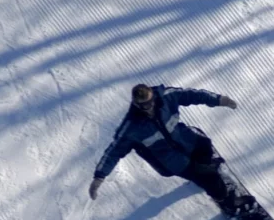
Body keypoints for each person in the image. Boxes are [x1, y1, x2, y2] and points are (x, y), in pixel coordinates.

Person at [89, 83, 240, 210]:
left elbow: (192, 95)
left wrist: (220, 100)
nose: (149, 107)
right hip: (172, 160)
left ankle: (203, 168)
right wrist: (99, 177)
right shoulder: (131, 128)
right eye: (144, 105)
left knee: (205, 145)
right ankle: (226, 201)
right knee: (210, 179)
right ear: (136, 104)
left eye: (150, 101)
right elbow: (113, 152)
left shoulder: (166, 96)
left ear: (153, 95)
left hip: (186, 139)